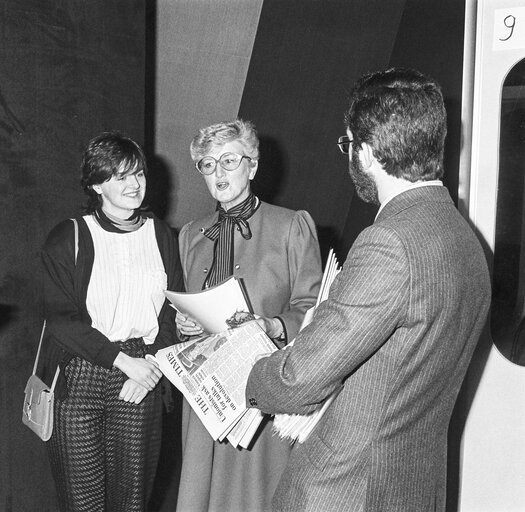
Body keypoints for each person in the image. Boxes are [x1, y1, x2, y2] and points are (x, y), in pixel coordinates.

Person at [246, 68, 491, 511]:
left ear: (369, 152)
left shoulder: (390, 242)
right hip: (413, 489)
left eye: (349, 144)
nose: (350, 156)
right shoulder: (466, 240)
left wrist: (249, 373)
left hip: (344, 491)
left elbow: (298, 381)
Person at [176, 119, 322, 511]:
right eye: (207, 164)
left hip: (263, 390)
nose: (218, 172)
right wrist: (183, 323)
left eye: (228, 161)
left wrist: (274, 325)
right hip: (207, 394)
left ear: (252, 167)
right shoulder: (191, 234)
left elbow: (314, 309)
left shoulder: (292, 226)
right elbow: (186, 305)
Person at [40, 131, 183, 511]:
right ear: (96, 184)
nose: (134, 185)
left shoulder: (162, 234)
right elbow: (60, 320)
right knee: (82, 504)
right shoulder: (69, 236)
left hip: (142, 373)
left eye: (138, 174)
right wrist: (124, 363)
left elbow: (172, 310)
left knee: (131, 503)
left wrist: (152, 365)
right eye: (120, 176)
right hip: (80, 377)